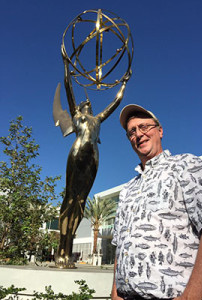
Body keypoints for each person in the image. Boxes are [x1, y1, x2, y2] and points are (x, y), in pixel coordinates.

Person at [111, 104, 202, 299]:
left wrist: (191, 297)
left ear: (160, 130)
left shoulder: (187, 165)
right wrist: (115, 294)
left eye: (144, 127)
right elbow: (120, 246)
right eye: (132, 131)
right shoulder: (127, 190)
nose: (138, 134)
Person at [53, 44, 131, 267]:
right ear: (79, 106)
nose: (88, 102)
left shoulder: (97, 119)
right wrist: (66, 65)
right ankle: (62, 248)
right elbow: (68, 87)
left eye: (88, 102)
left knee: (80, 201)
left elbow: (115, 103)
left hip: (94, 157)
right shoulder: (77, 115)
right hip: (77, 153)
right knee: (69, 199)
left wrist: (124, 83)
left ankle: (69, 248)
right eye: (84, 102)